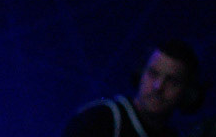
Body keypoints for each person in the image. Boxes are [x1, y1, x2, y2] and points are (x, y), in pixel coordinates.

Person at [63, 41, 207, 137]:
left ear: (188, 93)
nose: (158, 87)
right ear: (140, 75)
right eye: (153, 74)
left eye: (172, 81)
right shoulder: (101, 119)